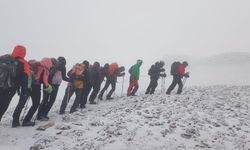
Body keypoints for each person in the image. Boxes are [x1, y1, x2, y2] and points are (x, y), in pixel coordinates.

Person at [0, 45, 30, 123]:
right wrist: (24, 93)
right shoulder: (24, 63)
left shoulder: (3, 57)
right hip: (10, 90)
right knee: (2, 107)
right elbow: (25, 80)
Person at [22, 58, 53, 126]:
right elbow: (45, 81)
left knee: (22, 103)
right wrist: (48, 88)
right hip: (36, 87)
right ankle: (26, 120)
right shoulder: (45, 69)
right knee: (35, 104)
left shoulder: (35, 65)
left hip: (28, 85)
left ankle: (17, 120)